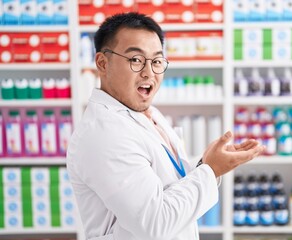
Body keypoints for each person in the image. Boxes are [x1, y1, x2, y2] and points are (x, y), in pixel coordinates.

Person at [66, 12, 265, 240]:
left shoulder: (147, 113)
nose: (149, 72)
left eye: (157, 61)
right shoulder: (102, 134)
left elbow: (170, 188)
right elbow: (156, 223)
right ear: (103, 63)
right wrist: (211, 170)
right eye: (136, 60)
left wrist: (205, 165)